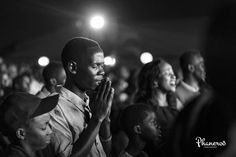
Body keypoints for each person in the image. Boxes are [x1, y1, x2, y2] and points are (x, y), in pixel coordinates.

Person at [44, 37, 114, 157]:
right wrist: (97, 119)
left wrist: (105, 120)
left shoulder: (90, 102)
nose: (102, 72)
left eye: (102, 66)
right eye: (95, 66)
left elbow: (105, 153)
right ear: (72, 68)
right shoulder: (54, 107)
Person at [133, 59, 178, 157]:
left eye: (173, 73)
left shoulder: (174, 107)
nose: (173, 76)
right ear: (154, 81)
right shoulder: (144, 111)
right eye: (167, 73)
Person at [0, 92, 59, 157]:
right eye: (43, 128)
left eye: (49, 125)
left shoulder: (41, 151)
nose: (50, 131)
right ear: (21, 133)